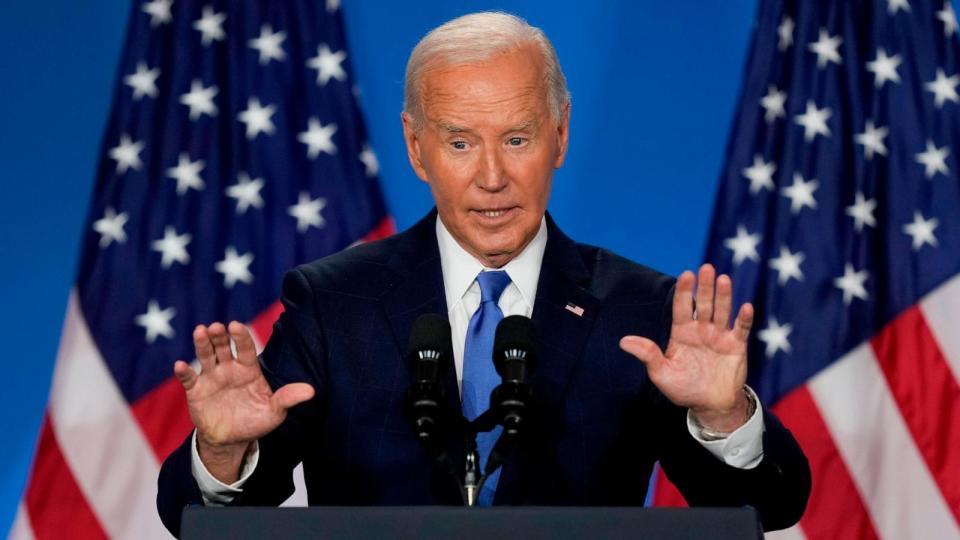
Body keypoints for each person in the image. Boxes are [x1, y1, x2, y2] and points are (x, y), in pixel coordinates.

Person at [157, 11, 810, 536]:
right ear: (417, 148)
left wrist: (725, 417)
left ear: (560, 135)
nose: (492, 177)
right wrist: (222, 454)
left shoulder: (639, 310)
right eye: (461, 142)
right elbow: (208, 517)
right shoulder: (334, 302)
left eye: (518, 139)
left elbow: (769, 506)